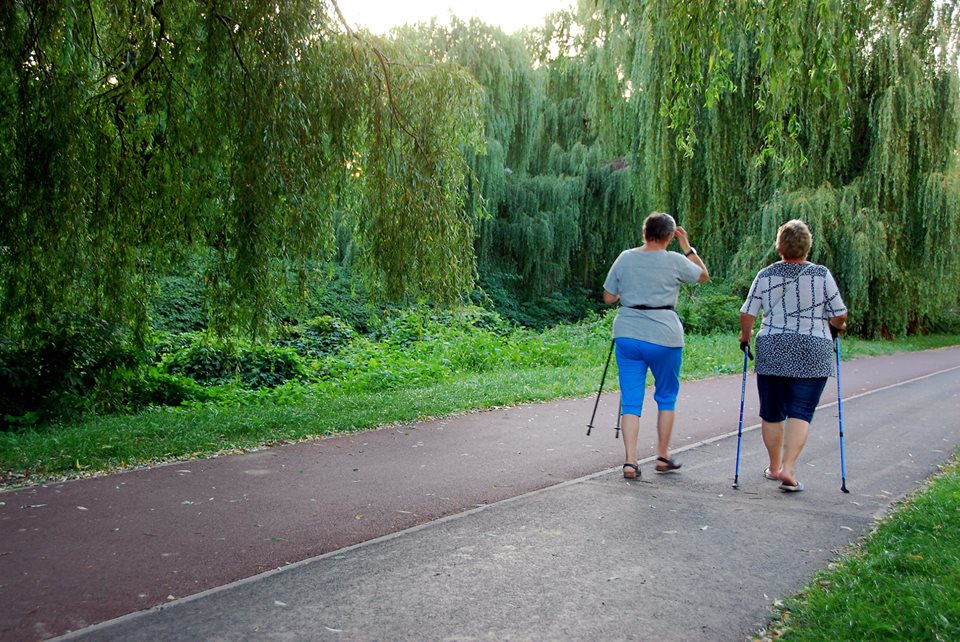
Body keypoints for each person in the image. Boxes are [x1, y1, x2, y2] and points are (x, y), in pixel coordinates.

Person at [738, 219, 848, 492]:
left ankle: (774, 467)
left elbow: (747, 312)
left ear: (779, 247)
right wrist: (836, 328)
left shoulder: (765, 275)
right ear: (807, 247)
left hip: (773, 345)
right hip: (813, 347)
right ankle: (789, 469)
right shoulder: (821, 274)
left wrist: (745, 337)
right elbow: (839, 314)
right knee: (801, 411)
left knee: (772, 411)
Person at [603, 212, 709, 479]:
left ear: (645, 232)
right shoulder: (674, 260)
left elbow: (608, 297)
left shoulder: (625, 257)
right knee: (666, 397)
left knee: (630, 400)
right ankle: (662, 456)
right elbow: (703, 276)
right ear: (670, 236)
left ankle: (630, 461)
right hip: (665, 336)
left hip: (628, 335)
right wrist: (687, 247)